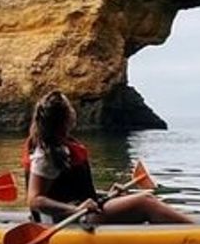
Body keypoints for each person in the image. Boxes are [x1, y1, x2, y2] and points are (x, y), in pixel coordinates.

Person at [24, 90, 191, 226]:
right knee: (145, 201)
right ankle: (195, 235)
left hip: (79, 213)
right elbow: (35, 200)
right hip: (66, 220)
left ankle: (189, 230)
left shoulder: (62, 147)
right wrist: (74, 210)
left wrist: (104, 194)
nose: (74, 110)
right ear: (64, 118)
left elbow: (71, 192)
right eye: (70, 107)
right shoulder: (45, 155)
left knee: (140, 198)